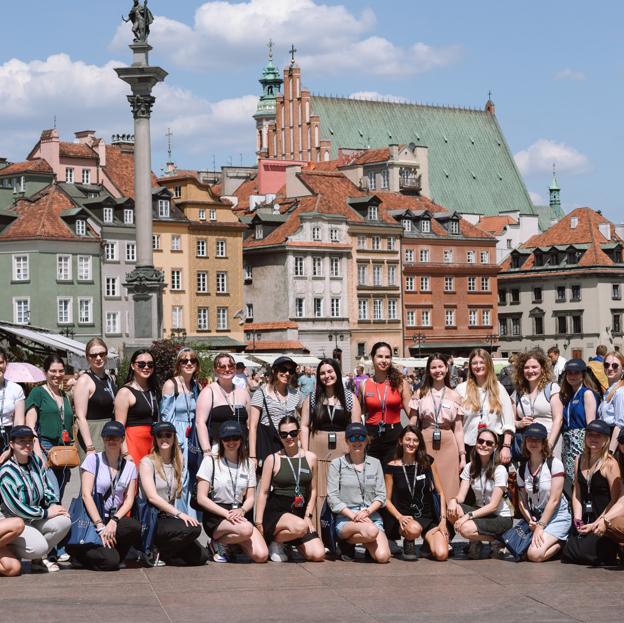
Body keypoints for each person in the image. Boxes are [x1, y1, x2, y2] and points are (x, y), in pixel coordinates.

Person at [66, 421, 141, 571]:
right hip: (93, 518)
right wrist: (100, 525)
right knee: (110, 563)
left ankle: (113, 552)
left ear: (122, 439)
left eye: (115, 437)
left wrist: (114, 520)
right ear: (102, 439)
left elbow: (129, 500)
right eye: (107, 437)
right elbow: (86, 495)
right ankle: (81, 555)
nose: (111, 441)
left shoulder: (130, 467)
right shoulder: (93, 460)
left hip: (112, 517)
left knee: (133, 526)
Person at [300, 358, 361, 535]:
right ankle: (317, 532)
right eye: (323, 373)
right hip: (317, 451)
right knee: (318, 492)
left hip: (342, 452)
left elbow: (355, 427)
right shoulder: (312, 399)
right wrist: (304, 451)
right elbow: (304, 425)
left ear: (337, 372)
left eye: (330, 371)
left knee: (341, 491)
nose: (327, 376)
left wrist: (354, 454)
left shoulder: (350, 398)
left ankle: (342, 534)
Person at [0, 426, 71, 572]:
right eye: (21, 441)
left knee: (64, 521)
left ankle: (37, 560)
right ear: (12, 444)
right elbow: (15, 507)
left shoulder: (36, 462)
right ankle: (10, 547)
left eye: (30, 441)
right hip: (12, 521)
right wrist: (46, 513)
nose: (27, 445)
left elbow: (47, 488)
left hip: (32, 518)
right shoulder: (6, 472)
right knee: (39, 547)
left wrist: (53, 505)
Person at [255, 415, 324, 563]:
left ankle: (285, 542)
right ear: (279, 436)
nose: (289, 437)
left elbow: (313, 491)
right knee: (300, 527)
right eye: (284, 434)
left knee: (318, 554)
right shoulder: (272, 459)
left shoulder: (311, 458)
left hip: (300, 512)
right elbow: (263, 492)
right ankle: (275, 540)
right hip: (277, 511)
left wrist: (308, 516)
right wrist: (259, 523)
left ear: (299, 433)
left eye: (293, 433)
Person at [139, 421, 209, 566]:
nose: (164, 439)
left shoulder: (178, 461)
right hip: (152, 518)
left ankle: (166, 554)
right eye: (160, 435)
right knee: (194, 529)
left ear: (174, 438)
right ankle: (153, 550)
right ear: (155, 439)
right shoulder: (147, 462)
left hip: (168, 518)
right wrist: (180, 514)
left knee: (201, 556)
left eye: (168, 435)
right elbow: (152, 497)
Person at [196, 421, 267, 563]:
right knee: (246, 529)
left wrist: (242, 509)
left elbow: (251, 497)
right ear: (221, 441)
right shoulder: (210, 461)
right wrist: (226, 514)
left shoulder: (248, 464)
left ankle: (230, 543)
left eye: (235, 438)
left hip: (239, 513)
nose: (231, 442)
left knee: (262, 555)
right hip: (217, 514)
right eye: (226, 438)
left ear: (241, 439)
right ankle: (216, 543)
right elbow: (201, 498)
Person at [326, 422, 390, 563]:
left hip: (371, 516)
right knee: (371, 531)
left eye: (361, 438)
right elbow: (333, 498)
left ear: (367, 440)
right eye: (352, 438)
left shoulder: (375, 463)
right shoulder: (337, 464)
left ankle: (353, 543)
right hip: (346, 518)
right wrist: (354, 516)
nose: (357, 442)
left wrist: (366, 512)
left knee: (383, 557)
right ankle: (348, 540)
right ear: (347, 441)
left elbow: (381, 495)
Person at [384, 425, 449, 561]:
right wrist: (399, 517)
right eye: (408, 439)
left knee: (442, 554)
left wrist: (443, 521)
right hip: (405, 518)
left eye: (415, 440)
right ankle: (409, 540)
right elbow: (386, 500)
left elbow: (440, 493)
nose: (411, 444)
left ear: (419, 443)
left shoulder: (428, 462)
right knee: (413, 529)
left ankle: (426, 545)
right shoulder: (392, 466)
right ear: (401, 441)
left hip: (427, 516)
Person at [562, 419, 621, 565]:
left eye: (598, 435)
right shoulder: (579, 459)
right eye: (590, 435)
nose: (593, 439)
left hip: (603, 520)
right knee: (569, 552)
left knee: (587, 555)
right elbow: (577, 492)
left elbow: (616, 499)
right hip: (585, 518)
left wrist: (598, 522)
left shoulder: (610, 463)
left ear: (606, 439)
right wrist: (577, 518)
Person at [447, 429, 513, 559]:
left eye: (489, 443)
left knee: (465, 529)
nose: (484, 445)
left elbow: (493, 506)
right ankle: (476, 543)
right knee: (453, 509)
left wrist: (468, 516)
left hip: (500, 517)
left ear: (495, 447)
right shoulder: (470, 467)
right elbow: (461, 497)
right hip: (481, 512)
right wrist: (452, 501)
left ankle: (498, 540)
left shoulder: (500, 470)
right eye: (480, 441)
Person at [409, 354, 465, 502]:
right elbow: (413, 422)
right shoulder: (420, 393)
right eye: (433, 367)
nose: (437, 370)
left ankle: (449, 518)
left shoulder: (455, 396)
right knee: (427, 481)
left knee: (449, 483)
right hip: (425, 440)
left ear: (447, 368)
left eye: (440, 366)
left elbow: (458, 429)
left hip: (448, 443)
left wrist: (462, 455)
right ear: (428, 370)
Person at [516, 423, 571, 562]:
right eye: (530, 439)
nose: (533, 443)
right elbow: (522, 499)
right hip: (536, 516)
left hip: (558, 514)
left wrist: (540, 526)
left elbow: (554, 500)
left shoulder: (554, 464)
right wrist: (529, 520)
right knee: (519, 551)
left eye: (537, 439)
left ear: (543, 443)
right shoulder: (522, 469)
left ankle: (562, 544)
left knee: (534, 555)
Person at [25, 355, 74, 500]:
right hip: (46, 448)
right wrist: (38, 453)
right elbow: (30, 425)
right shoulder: (38, 393)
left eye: (60, 371)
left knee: (60, 492)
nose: (57, 375)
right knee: (53, 493)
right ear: (45, 372)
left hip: (64, 450)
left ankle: (56, 521)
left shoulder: (64, 395)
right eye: (53, 371)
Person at [160, 347, 201, 514]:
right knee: (179, 479)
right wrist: (170, 442)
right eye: (184, 360)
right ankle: (179, 518)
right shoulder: (171, 385)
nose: (189, 363)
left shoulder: (196, 385)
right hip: (177, 435)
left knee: (192, 478)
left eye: (192, 360)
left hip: (192, 437)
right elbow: (166, 418)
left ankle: (192, 521)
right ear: (178, 364)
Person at [456, 348, 514, 463]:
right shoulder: (461, 389)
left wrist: (506, 447)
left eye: (482, 362)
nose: (478, 366)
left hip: (493, 446)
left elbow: (508, 421)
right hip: (469, 446)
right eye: (474, 363)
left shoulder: (498, 388)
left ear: (488, 364)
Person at [360, 342, 412, 464]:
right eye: (380, 356)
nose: (384, 360)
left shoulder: (400, 383)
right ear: (373, 358)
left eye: (387, 357)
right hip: (371, 436)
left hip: (394, 436)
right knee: (372, 477)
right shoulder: (364, 385)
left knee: (392, 477)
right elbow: (360, 414)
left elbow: (411, 413)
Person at [248, 357, 303, 469]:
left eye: (290, 371)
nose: (287, 373)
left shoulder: (296, 394)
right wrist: (252, 455)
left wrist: (301, 441)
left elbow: (305, 421)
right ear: (274, 371)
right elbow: (252, 426)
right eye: (283, 369)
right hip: (268, 444)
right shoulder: (261, 393)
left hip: (289, 444)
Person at [196, 353, 251, 459]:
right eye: (222, 366)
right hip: (217, 449)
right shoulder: (208, 392)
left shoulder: (243, 392)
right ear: (215, 370)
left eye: (231, 366)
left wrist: (252, 453)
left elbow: (250, 424)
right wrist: (207, 451)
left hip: (241, 448)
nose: (227, 369)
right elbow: (200, 422)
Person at [554, 359, 600, 481]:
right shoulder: (567, 396)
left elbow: (591, 424)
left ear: (583, 374)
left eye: (576, 373)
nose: (572, 376)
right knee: (570, 479)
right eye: (569, 373)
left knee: (581, 478)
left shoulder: (587, 393)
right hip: (568, 443)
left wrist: (589, 447)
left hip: (581, 441)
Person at [512, 349, 563, 458]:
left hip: (549, 443)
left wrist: (549, 444)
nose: (530, 371)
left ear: (542, 369)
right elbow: (510, 420)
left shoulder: (552, 388)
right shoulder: (519, 392)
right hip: (527, 446)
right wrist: (519, 424)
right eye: (526, 367)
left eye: (534, 367)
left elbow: (558, 419)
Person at [114, 349, 160, 466]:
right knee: (134, 481)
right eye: (141, 364)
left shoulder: (154, 390)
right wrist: (125, 452)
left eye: (150, 364)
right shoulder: (125, 392)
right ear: (133, 366)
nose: (146, 367)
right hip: (133, 442)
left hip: (152, 442)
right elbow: (119, 426)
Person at [73, 338, 117, 460]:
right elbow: (80, 417)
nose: (98, 358)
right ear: (88, 358)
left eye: (102, 354)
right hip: (93, 434)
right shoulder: (84, 380)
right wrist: (90, 447)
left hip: (110, 434)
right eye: (93, 355)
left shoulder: (110, 379)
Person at [0, 346, 26, 453]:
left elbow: (19, 422)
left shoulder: (16, 389)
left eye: (1, 362)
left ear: (6, 363)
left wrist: (13, 447)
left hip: (8, 435)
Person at [597, 351, 624, 452]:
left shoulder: (620, 392)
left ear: (623, 369)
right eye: (606, 365)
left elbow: (619, 425)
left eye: (615, 365)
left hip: (615, 443)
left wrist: (610, 452)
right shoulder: (609, 390)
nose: (610, 368)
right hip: (605, 439)